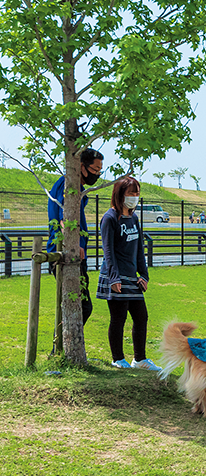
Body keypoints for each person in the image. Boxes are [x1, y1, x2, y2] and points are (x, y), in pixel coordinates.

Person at [95, 177, 160, 370]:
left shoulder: (134, 218)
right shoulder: (109, 218)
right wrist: (114, 278)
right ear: (120, 193)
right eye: (131, 193)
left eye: (137, 193)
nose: (134, 197)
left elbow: (139, 248)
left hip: (132, 276)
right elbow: (108, 251)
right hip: (115, 276)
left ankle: (140, 359)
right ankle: (118, 359)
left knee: (141, 317)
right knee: (119, 317)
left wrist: (144, 274)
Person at [46, 147, 104, 325]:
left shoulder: (77, 188)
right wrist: (74, 244)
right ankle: (61, 347)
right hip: (67, 254)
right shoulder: (68, 186)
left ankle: (65, 348)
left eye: (100, 171)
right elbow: (65, 219)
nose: (97, 174)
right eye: (95, 170)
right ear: (81, 166)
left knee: (78, 306)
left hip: (75, 254)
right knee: (81, 307)